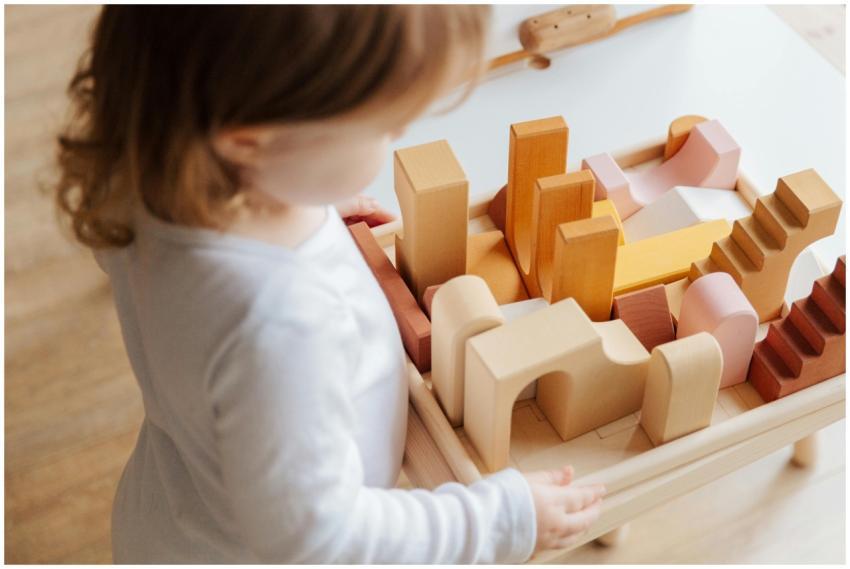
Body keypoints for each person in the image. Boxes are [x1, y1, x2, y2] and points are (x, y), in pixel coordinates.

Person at [54, 5, 605, 563]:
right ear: (250, 141)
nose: (400, 133)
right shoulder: (278, 323)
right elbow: (323, 539)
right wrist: (498, 522)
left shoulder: (151, 182)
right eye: (383, 125)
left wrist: (302, 201)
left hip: (179, 510)